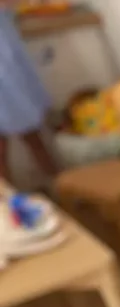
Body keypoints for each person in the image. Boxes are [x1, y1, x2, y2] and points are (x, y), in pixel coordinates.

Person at [0, 2, 59, 182]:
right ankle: (8, 204)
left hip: (10, 72)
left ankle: (59, 187)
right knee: (4, 148)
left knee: (32, 136)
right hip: (8, 71)